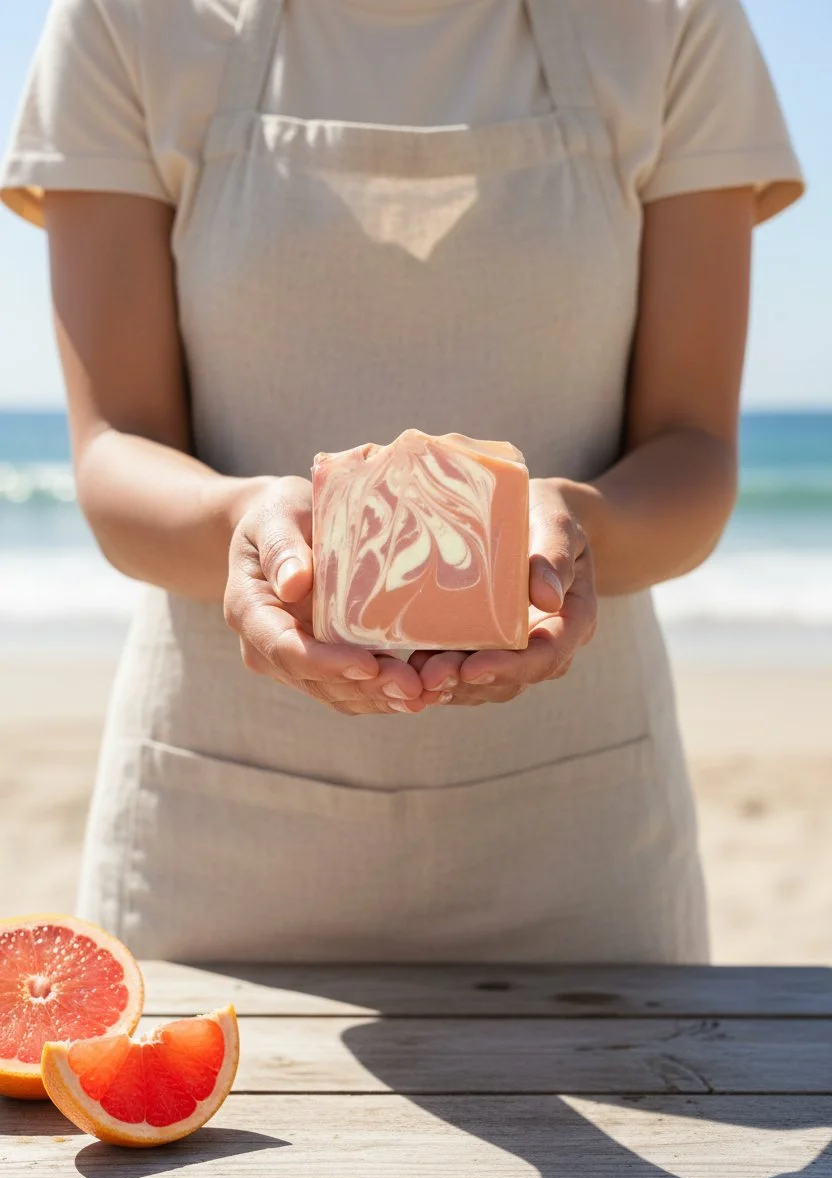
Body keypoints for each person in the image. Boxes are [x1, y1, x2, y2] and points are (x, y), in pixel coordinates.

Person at [1, 0, 803, 962]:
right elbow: (114, 448)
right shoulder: (123, 19)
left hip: (582, 851)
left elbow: (692, 450)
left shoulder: (676, 22)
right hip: (213, 845)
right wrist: (244, 524)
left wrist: (577, 527)